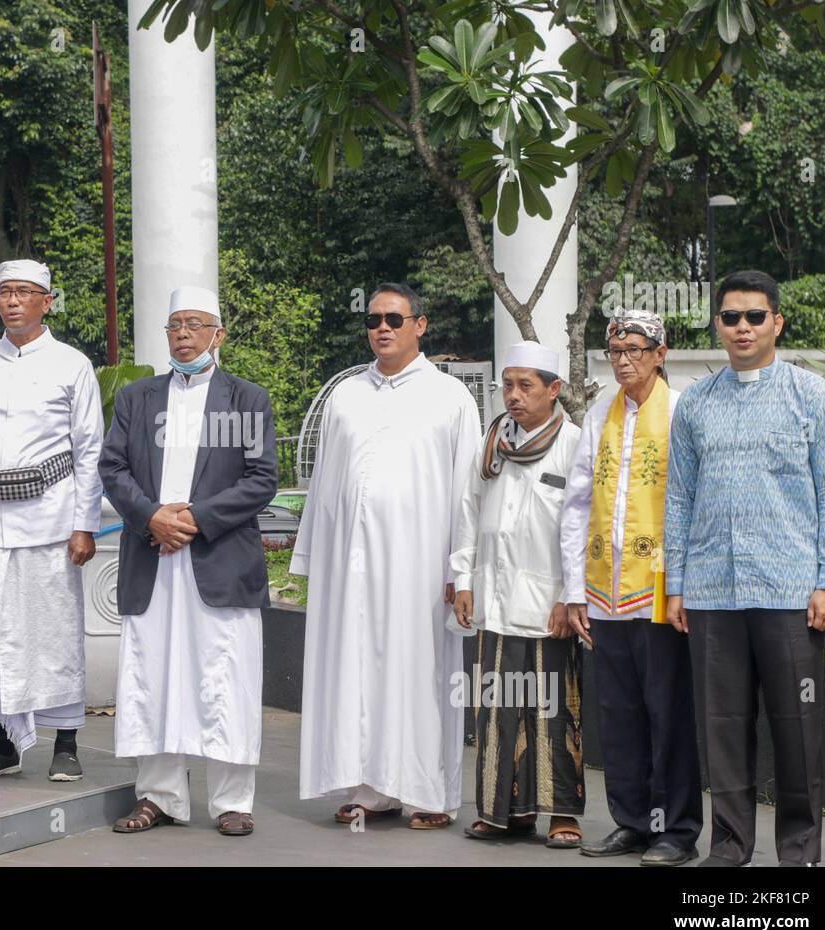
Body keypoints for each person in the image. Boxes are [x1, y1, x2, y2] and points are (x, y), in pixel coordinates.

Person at [665, 270, 825, 867]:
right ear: (717, 324)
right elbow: (679, 498)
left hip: (790, 592)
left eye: (754, 316)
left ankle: (799, 850)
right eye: (730, 317)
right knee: (721, 729)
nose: (742, 327)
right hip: (713, 592)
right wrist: (677, 585)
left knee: (796, 727)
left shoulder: (809, 395)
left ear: (777, 322)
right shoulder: (696, 402)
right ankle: (730, 845)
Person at [292, 282, 480, 830]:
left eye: (395, 319)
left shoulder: (451, 398)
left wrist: (460, 567)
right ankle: (369, 788)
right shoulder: (346, 396)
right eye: (374, 319)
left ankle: (429, 792)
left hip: (421, 566)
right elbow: (324, 483)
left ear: (420, 326)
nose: (382, 328)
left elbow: (467, 492)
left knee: (418, 669)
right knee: (356, 666)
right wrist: (311, 559)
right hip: (349, 565)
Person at [100, 286, 278, 836]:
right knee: (153, 675)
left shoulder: (246, 398)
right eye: (175, 324)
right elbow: (113, 469)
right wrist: (153, 516)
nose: (182, 334)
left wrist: (194, 518)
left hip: (218, 559)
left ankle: (232, 801)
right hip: (152, 558)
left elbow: (261, 478)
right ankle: (159, 797)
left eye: (195, 324)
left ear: (217, 335)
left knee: (224, 677)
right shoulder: (137, 398)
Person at [0, 259, 104, 782]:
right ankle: (2, 744)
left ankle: (67, 744)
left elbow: (89, 450)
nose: (13, 301)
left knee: (51, 635)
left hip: (51, 520)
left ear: (46, 301)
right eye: (5, 291)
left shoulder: (72, 364)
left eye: (24, 292)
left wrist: (85, 523)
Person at [561, 308, 702, 866]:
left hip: (662, 588)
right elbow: (575, 503)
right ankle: (631, 822)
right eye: (615, 352)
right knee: (618, 714)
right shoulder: (601, 411)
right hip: (605, 590)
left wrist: (685, 584)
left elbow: (696, 500)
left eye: (635, 350)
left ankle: (676, 831)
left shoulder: (684, 409)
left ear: (660, 354)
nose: (624, 361)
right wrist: (575, 590)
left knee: (669, 713)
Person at [451, 341, 585, 848]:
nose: (513, 395)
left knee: (554, 710)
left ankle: (563, 815)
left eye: (525, 385)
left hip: (552, 603)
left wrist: (572, 595)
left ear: (553, 389)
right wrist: (463, 580)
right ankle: (503, 812)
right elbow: (467, 513)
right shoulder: (491, 445)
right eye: (507, 384)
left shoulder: (574, 444)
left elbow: (583, 527)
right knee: (497, 711)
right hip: (495, 597)